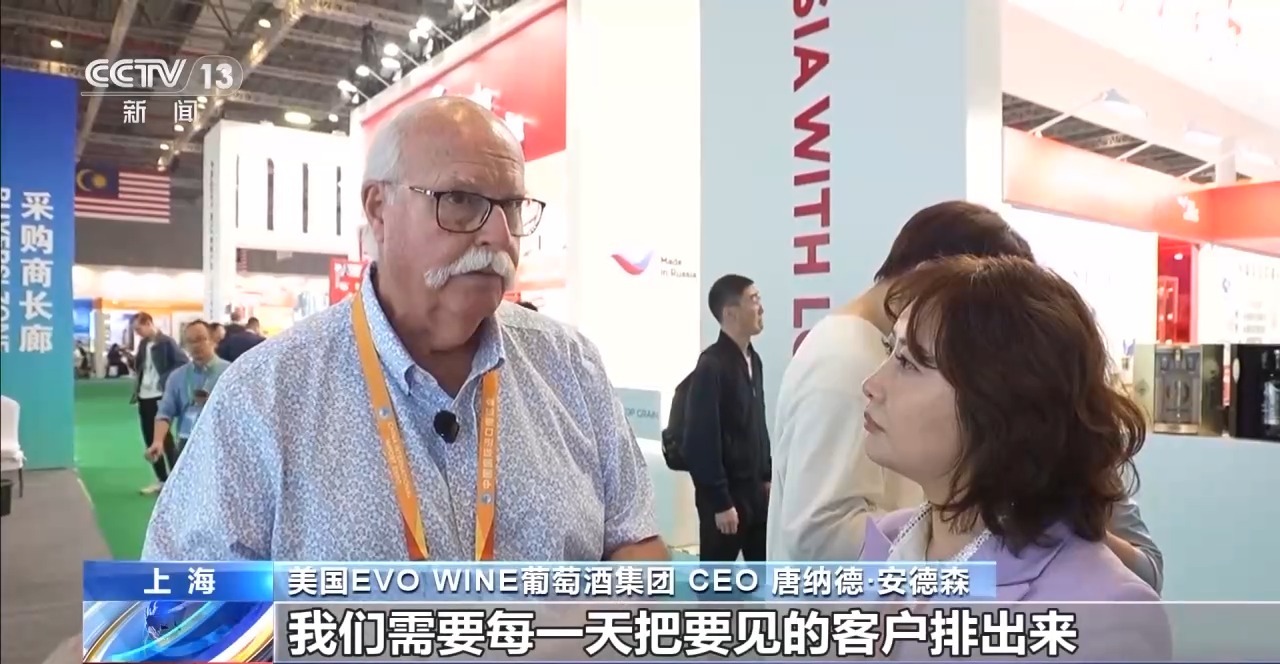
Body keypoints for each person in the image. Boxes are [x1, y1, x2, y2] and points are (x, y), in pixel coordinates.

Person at [142, 96, 666, 562]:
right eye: (460, 199)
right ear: (379, 209)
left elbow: (634, 540)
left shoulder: (570, 365)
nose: (499, 234)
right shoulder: (265, 396)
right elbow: (187, 609)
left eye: (511, 206)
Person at [767, 201, 1165, 593]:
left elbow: (1141, 567)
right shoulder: (845, 358)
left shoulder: (1099, 602)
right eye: (900, 355)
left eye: (909, 362)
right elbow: (822, 532)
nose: (874, 384)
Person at [858, 256, 1170, 657]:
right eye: (890, 351)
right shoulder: (888, 541)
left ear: (1001, 400)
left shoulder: (1105, 616)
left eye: (907, 362)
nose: (872, 384)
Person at [684, 274, 769, 561]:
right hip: (725, 500)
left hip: (756, 495)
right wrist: (720, 501)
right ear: (730, 313)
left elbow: (757, 424)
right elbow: (700, 439)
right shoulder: (711, 365)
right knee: (715, 581)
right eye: (753, 300)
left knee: (763, 577)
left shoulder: (754, 360)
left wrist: (766, 475)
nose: (761, 308)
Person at [146, 320, 230, 464]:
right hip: (186, 445)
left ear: (213, 340)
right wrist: (158, 441)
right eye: (190, 341)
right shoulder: (177, 377)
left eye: (200, 339)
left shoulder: (230, 372)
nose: (196, 345)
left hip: (221, 445)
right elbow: (165, 412)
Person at [130, 312, 187, 495]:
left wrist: (165, 380)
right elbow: (140, 367)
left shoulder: (167, 342)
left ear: (148, 323)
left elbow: (182, 363)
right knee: (149, 438)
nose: (137, 333)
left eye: (139, 328)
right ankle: (161, 479)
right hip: (144, 395)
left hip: (160, 396)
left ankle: (177, 478)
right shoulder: (143, 344)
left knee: (164, 439)